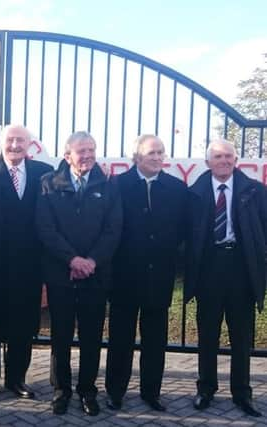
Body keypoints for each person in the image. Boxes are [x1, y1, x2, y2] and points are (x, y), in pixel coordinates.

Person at [36, 131, 122, 416]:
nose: (87, 156)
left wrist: (91, 262)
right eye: (81, 151)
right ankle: (61, 390)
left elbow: (113, 229)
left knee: (91, 337)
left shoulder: (108, 184)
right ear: (67, 154)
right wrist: (72, 260)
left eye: (91, 150)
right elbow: (45, 229)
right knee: (60, 336)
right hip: (61, 273)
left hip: (95, 275)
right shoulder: (48, 184)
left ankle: (87, 390)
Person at [104, 134, 187, 412]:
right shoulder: (117, 184)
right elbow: (109, 228)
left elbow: (183, 231)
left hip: (160, 276)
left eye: (160, 152)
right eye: (151, 152)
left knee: (155, 340)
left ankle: (152, 392)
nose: (156, 157)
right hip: (124, 277)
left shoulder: (176, 187)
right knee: (120, 339)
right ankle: (115, 391)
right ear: (137, 156)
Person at [185, 139, 266, 417]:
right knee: (207, 333)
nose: (224, 161)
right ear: (207, 162)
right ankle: (205, 388)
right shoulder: (194, 193)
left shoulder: (255, 191)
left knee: (241, 335)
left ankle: (242, 393)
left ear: (236, 159)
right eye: (218, 156)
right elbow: (185, 235)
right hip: (208, 268)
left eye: (229, 156)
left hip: (241, 268)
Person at [0, 124, 53, 401]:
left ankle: (16, 378)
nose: (15, 145)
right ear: (0, 141)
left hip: (29, 267)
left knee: (23, 326)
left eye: (21, 140)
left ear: (29, 143)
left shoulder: (43, 172)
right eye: (10, 140)